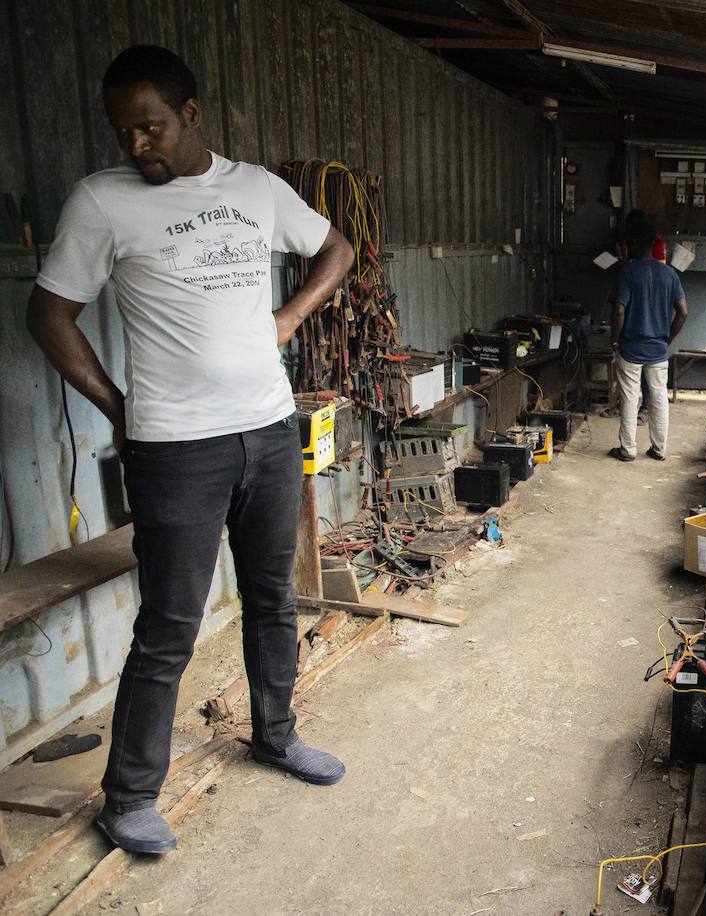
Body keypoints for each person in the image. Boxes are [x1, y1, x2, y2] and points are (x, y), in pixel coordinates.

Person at [26, 45, 354, 855]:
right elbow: (49, 314)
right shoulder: (101, 202)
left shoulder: (257, 190)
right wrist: (120, 409)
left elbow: (337, 250)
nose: (137, 148)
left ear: (191, 115)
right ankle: (130, 796)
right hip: (175, 447)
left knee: (273, 597)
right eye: (123, 133)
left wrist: (287, 319)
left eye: (151, 128)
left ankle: (276, 736)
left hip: (270, 431)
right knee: (169, 625)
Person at [608, 218, 687, 461]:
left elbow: (619, 310)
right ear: (653, 243)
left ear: (632, 243)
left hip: (631, 347)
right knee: (659, 397)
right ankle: (658, 449)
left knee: (630, 398)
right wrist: (667, 340)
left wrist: (614, 339)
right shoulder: (670, 274)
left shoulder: (628, 272)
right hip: (658, 349)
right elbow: (683, 312)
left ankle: (628, 449)